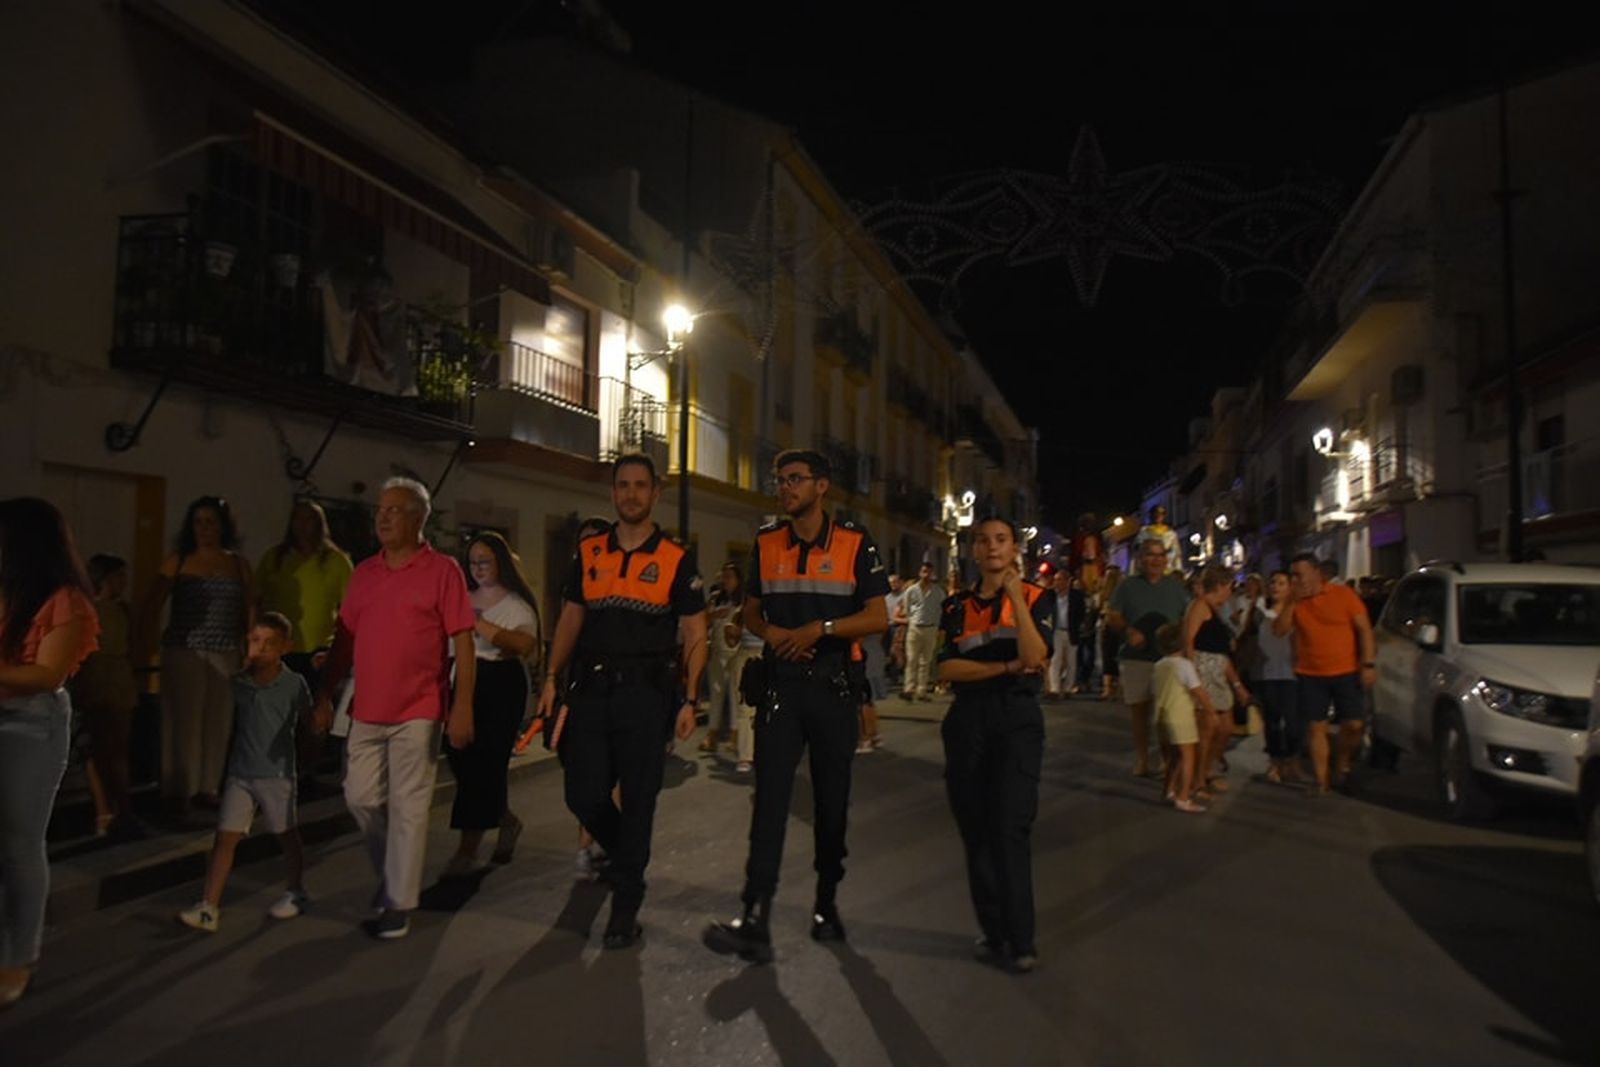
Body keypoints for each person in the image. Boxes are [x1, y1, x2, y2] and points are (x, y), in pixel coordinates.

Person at [706, 449, 889, 963]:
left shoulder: (855, 542)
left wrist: (821, 629)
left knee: (832, 805)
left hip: (832, 690)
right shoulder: (766, 544)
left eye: (795, 479)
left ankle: (826, 902)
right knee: (769, 802)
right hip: (782, 687)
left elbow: (877, 617)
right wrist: (777, 633)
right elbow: (752, 613)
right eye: (780, 480)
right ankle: (755, 915)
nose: (784, 488)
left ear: (821, 486)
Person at [536, 453, 706, 949]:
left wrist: (689, 698)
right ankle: (628, 861)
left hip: (646, 696)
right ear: (613, 492)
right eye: (622, 485)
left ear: (656, 494)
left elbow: (696, 630)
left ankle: (625, 906)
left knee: (639, 801)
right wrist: (550, 675)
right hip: (591, 689)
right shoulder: (589, 553)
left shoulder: (677, 558)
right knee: (581, 794)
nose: (630, 493)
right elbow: (570, 619)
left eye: (640, 486)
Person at [312, 478, 476, 940]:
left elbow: (462, 640)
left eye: (395, 510)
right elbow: (345, 639)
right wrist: (325, 694)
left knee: (408, 805)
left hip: (420, 707)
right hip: (367, 705)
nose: (383, 517)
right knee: (360, 797)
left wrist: (462, 704)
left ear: (419, 519)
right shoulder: (363, 573)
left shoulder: (443, 571)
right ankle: (395, 877)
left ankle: (398, 904)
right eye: (380, 510)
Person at [936, 516, 1053, 973]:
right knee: (975, 829)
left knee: (1009, 827)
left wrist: (1014, 596)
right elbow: (946, 670)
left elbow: (1035, 656)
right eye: (983, 541)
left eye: (1001, 540)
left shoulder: (1039, 599)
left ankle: (1021, 940)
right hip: (968, 721)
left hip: (1017, 721)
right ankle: (993, 930)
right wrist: (1003, 670)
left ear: (1013, 549)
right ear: (973, 551)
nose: (991, 547)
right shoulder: (954, 606)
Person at [0, 499, 98, 1008]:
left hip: (31, 723)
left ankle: (18, 956)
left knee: (18, 843)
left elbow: (46, 675)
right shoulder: (5, 590)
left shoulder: (64, 600)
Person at [176, 612, 312, 932]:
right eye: (255, 640)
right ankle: (209, 905)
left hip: (277, 774)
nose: (260, 648)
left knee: (286, 834)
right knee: (225, 838)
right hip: (240, 773)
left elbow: (308, 723)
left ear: (284, 647)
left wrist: (307, 755)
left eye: (269, 643)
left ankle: (296, 889)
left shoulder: (293, 683)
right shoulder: (238, 682)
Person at [141, 496, 253, 817]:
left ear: (223, 526)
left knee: (218, 720)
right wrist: (145, 641)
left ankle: (208, 786)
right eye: (199, 522)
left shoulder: (237, 563)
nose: (205, 529)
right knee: (184, 719)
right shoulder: (179, 560)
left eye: (211, 522)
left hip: (225, 648)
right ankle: (179, 788)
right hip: (184, 647)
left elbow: (250, 604)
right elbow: (154, 600)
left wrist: (252, 642)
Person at [441, 531, 540, 878]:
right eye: (473, 562)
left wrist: (480, 624)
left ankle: (466, 851)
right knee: (461, 759)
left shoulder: (516, 605)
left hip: (499, 685)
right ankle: (505, 820)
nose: (479, 568)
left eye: (485, 561)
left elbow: (523, 645)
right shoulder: (461, 597)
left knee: (486, 765)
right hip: (460, 682)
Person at [1272, 552, 1376, 796]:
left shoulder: (1343, 595)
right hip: (1310, 673)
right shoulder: (1296, 602)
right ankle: (1322, 781)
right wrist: (1292, 603)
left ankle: (1342, 762)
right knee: (1316, 727)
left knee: (1354, 725)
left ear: (1316, 573)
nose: (1296, 581)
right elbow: (1279, 630)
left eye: (1300, 575)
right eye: (1293, 576)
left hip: (1346, 671)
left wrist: (1368, 663)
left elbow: (1364, 630)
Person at [71, 555, 141, 838]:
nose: (123, 582)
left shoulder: (123, 609)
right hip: (96, 679)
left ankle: (121, 808)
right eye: (117, 577)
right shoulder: (87, 609)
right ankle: (105, 810)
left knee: (117, 748)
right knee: (97, 748)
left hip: (118, 679)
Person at [1105, 541, 1189, 776]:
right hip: (1136, 658)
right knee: (1140, 712)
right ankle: (1142, 758)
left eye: (1160, 555)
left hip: (1167, 658)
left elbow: (1188, 614)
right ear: (1141, 559)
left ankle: (1165, 759)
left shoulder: (1174, 587)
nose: (1156, 560)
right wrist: (1128, 630)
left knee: (1166, 714)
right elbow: (1113, 615)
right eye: (1150, 555)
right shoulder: (1127, 586)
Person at [255, 498, 353, 690]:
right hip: (279, 648)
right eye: (297, 519)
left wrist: (337, 650)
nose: (302, 525)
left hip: (319, 650)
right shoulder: (275, 558)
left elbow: (350, 608)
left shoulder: (336, 561)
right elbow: (255, 599)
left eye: (308, 519)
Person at [1182, 565, 1250, 797]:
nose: (1231, 592)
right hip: (1203, 672)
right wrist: (1193, 679)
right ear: (1220, 586)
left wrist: (1237, 684)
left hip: (1218, 672)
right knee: (1208, 728)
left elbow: (1221, 653)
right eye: (1229, 587)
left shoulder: (1216, 609)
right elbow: (1188, 642)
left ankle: (1207, 768)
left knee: (1225, 728)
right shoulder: (1200, 606)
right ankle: (1198, 779)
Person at [1151, 624, 1209, 814]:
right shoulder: (1184, 666)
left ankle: (1168, 790)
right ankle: (1184, 797)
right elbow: (1197, 690)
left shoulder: (1159, 665)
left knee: (1172, 757)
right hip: (1180, 715)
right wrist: (1210, 710)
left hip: (1161, 715)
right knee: (1187, 756)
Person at [1253, 570, 1302, 784]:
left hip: (1291, 672)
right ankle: (1275, 762)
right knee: (1272, 721)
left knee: (1293, 721)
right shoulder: (1261, 610)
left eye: (1281, 583)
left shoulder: (1298, 611)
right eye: (1273, 582)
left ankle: (1292, 761)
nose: (1275, 586)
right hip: (1269, 673)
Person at [702, 563, 744, 754]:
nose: (725, 581)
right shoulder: (715, 598)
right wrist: (712, 615)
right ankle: (712, 733)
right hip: (717, 651)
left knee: (735, 695)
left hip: (736, 652)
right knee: (716, 693)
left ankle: (735, 735)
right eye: (723, 577)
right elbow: (703, 620)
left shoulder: (743, 601)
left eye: (729, 577)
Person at [901, 562, 944, 701]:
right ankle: (909, 689)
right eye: (924, 571)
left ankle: (922, 690)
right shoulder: (912, 590)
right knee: (912, 659)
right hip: (915, 627)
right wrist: (911, 620)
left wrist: (938, 626)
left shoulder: (938, 591)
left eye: (929, 572)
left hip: (930, 627)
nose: (926, 575)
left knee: (925, 661)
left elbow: (941, 609)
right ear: (920, 573)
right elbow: (907, 608)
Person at [1044, 569, 1076, 700]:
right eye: (1056, 580)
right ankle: (1054, 689)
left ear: (1067, 581)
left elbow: (1081, 613)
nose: (1057, 583)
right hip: (1056, 630)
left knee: (1071, 661)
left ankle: (1068, 688)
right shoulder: (1050, 596)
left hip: (1071, 631)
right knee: (1055, 659)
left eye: (1060, 580)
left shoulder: (1075, 596)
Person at [1098, 566, 1123, 700]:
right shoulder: (1122, 594)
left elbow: (1099, 610)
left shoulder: (1104, 595)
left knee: (1107, 657)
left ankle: (1107, 689)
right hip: (1119, 628)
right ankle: (1118, 688)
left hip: (1107, 627)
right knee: (1118, 657)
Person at [1133, 506, 1181, 573]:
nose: (1158, 516)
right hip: (1148, 568)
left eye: (1160, 514)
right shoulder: (1144, 531)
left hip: (1166, 567)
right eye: (1155, 514)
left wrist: (1167, 558)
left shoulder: (1171, 533)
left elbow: (1176, 552)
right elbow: (1138, 548)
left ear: (1163, 516)